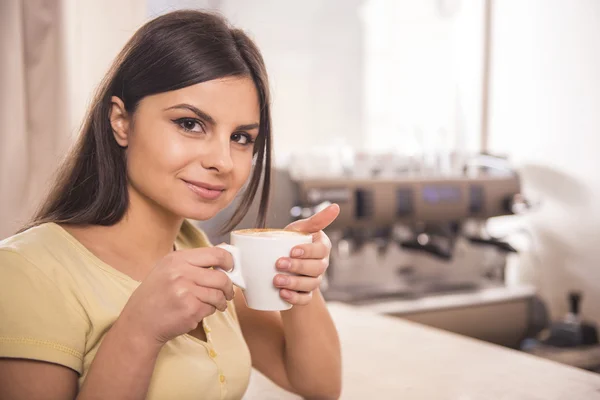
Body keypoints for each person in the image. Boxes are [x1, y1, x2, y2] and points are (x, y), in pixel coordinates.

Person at [0, 10, 342, 400]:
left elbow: (319, 386)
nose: (223, 161)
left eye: (242, 138)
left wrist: (298, 281)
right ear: (121, 121)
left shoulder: (202, 251)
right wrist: (139, 331)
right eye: (190, 124)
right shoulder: (24, 272)